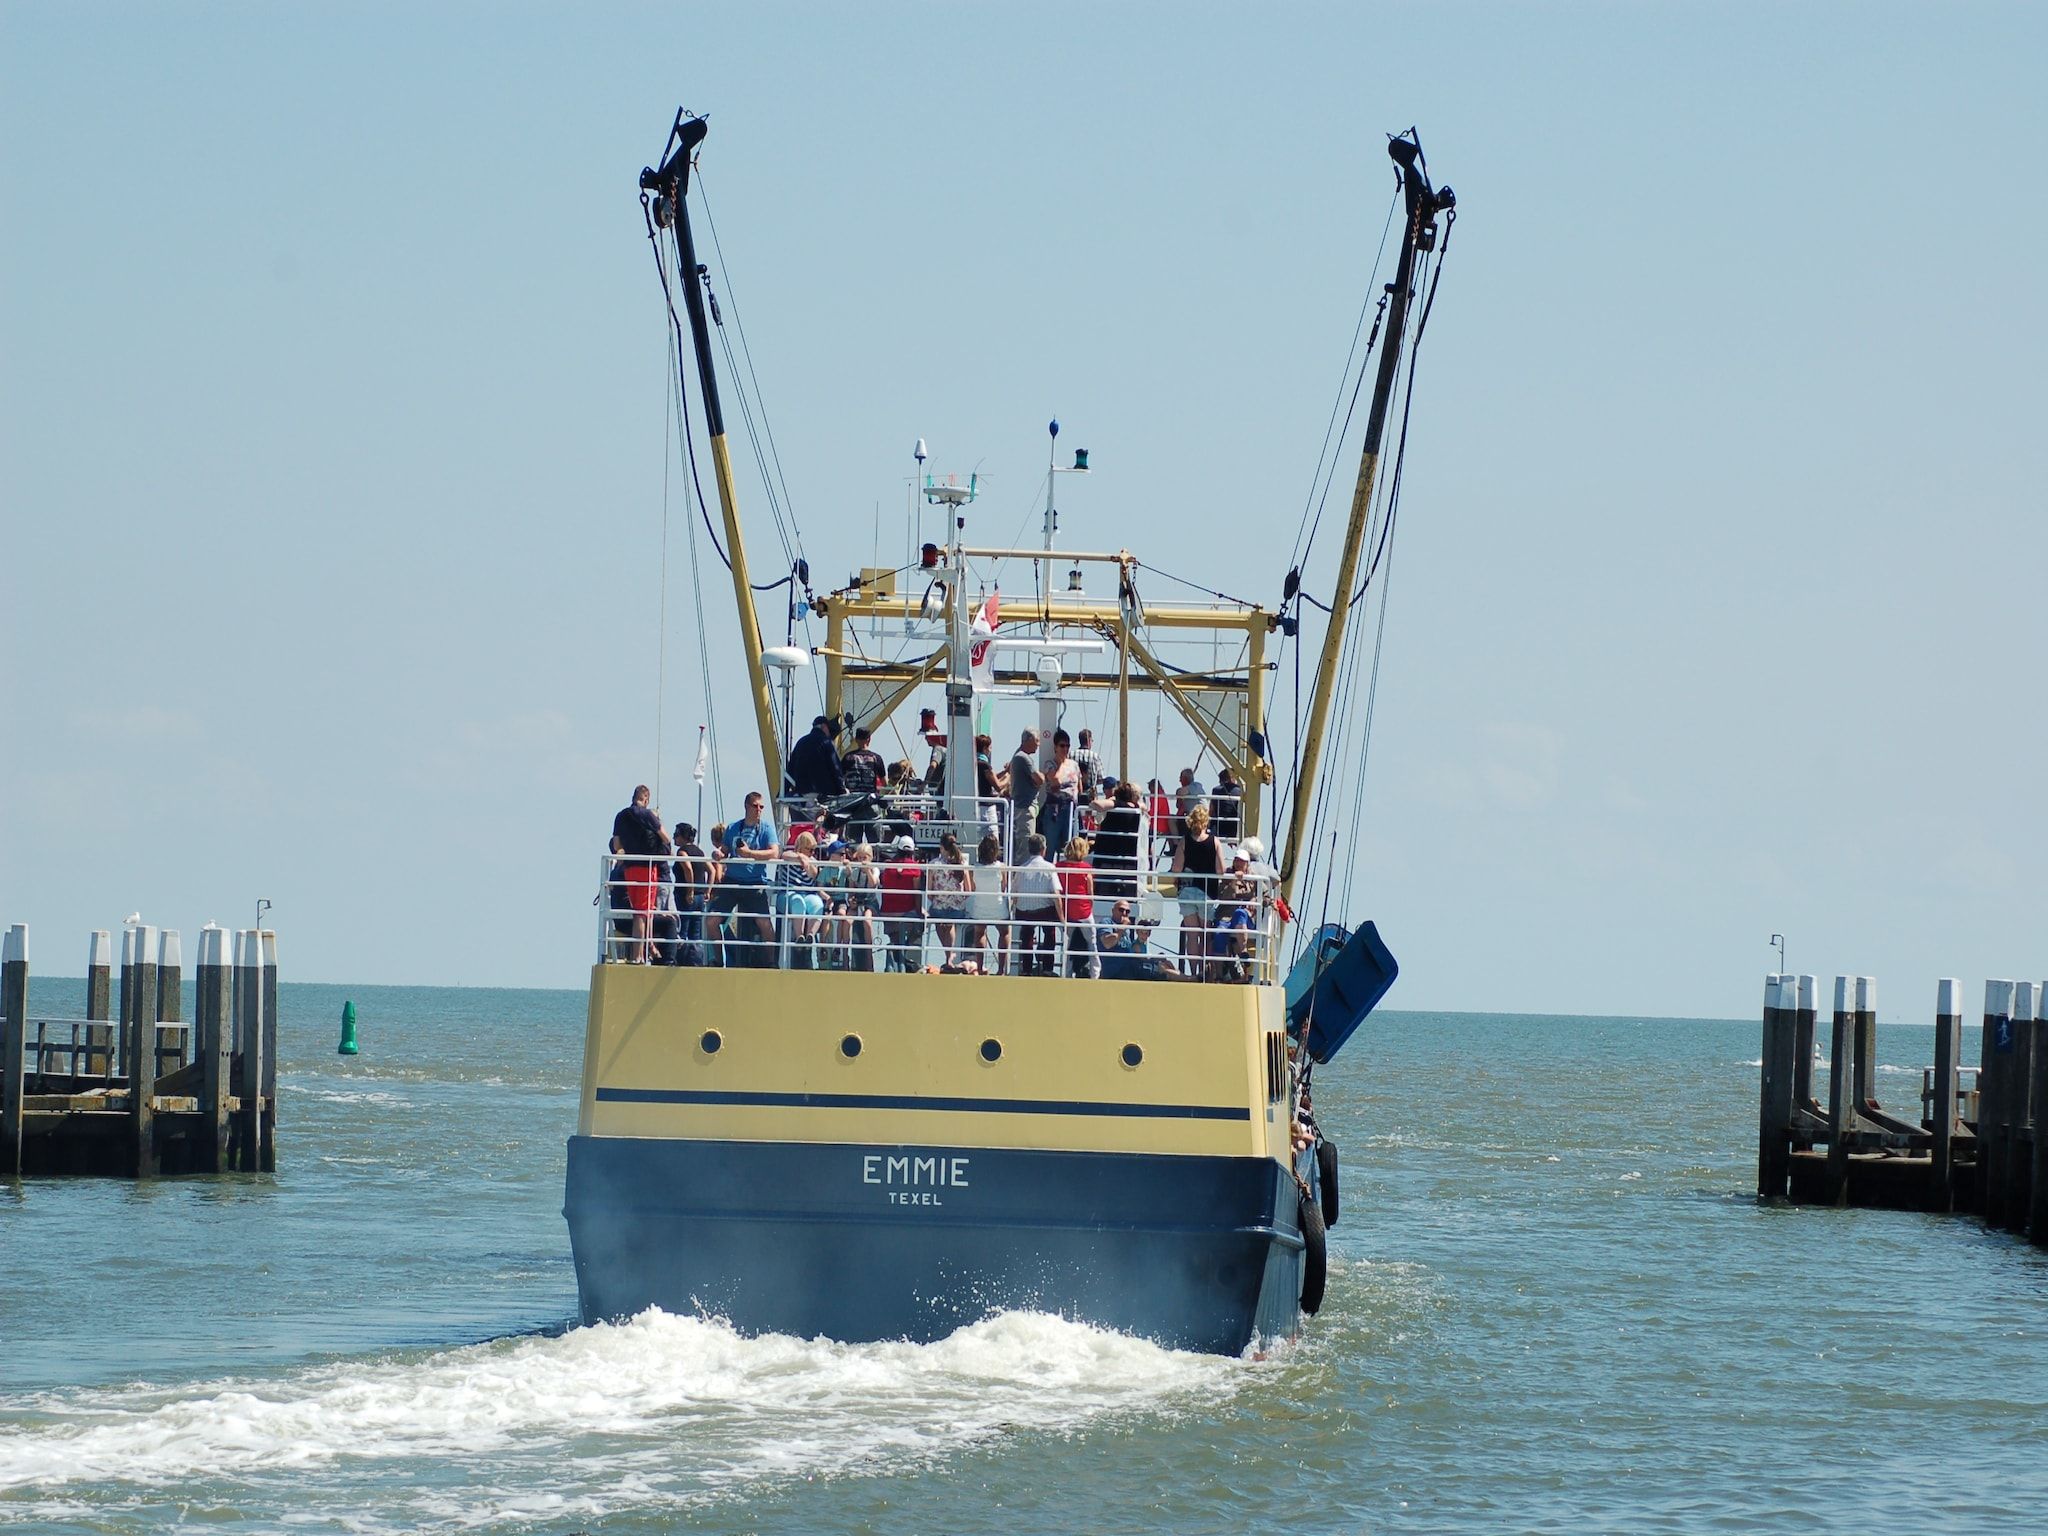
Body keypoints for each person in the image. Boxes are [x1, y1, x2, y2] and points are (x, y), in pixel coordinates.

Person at [722, 792, 780, 967]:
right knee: (711, 920)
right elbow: (724, 849)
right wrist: (718, 853)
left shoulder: (767, 829)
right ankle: (716, 961)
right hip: (732, 881)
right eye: (755, 806)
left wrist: (749, 854)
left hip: (755, 882)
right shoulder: (733, 828)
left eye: (761, 807)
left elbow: (774, 852)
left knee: (764, 924)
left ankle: (771, 962)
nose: (759, 810)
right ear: (746, 806)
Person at [610, 785, 666, 962]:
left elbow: (617, 845)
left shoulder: (621, 816)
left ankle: (639, 954)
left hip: (629, 868)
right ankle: (637, 956)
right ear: (646, 798)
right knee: (642, 913)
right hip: (646, 868)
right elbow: (666, 837)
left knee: (637, 912)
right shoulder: (647, 814)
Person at [1170, 802, 1223, 975]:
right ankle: (1205, 971)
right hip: (1207, 892)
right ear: (1206, 821)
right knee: (1205, 935)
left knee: (1192, 935)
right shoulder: (1214, 842)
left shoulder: (1185, 841)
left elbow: (1176, 868)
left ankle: (1193, 972)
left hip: (1186, 891)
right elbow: (1220, 871)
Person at [1008, 832, 1060, 976]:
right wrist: (1062, 918)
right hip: (1045, 911)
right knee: (1050, 932)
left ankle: (1026, 970)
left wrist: (1013, 910)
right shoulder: (1050, 868)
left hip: (1024, 912)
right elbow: (1056, 895)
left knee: (1027, 935)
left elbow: (1014, 893)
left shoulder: (1021, 868)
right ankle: (1048, 968)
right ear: (1043, 849)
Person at [878, 833, 926, 972]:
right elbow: (917, 895)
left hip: (887, 914)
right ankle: (903, 960)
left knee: (895, 938)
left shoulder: (888, 867)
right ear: (912, 851)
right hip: (905, 914)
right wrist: (920, 912)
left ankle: (895, 959)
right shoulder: (915, 868)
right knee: (920, 925)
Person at [1090, 780, 1144, 901]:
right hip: (1129, 860)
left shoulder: (1117, 805)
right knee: (1129, 899)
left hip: (1108, 858)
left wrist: (1112, 800)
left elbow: (1096, 804)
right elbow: (1143, 806)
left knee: (1104, 895)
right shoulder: (1137, 808)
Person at [778, 831, 826, 964]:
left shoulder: (813, 861)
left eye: (813, 850)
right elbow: (784, 855)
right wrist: (800, 857)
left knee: (817, 904)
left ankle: (810, 936)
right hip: (788, 894)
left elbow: (813, 874)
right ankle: (799, 937)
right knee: (797, 902)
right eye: (809, 849)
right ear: (801, 846)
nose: (812, 852)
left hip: (807, 894)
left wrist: (808, 864)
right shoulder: (789, 855)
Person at [1056, 835, 1100, 979]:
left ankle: (1066, 974)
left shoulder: (1059, 867)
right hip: (1084, 911)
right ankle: (1096, 974)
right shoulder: (1086, 868)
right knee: (1092, 943)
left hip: (1067, 910)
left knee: (1067, 946)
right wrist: (1090, 907)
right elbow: (1090, 892)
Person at [926, 831, 970, 965]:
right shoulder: (962, 863)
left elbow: (929, 891)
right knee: (949, 924)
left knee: (940, 922)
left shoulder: (933, 865)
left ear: (941, 847)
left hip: (938, 907)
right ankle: (949, 957)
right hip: (957, 908)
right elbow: (968, 890)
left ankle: (948, 956)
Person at [966, 830, 1006, 974]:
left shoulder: (974, 868)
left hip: (980, 906)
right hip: (998, 906)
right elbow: (1004, 886)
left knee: (979, 933)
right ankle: (1001, 969)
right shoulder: (1002, 867)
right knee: (1004, 932)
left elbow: (972, 887)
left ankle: (980, 966)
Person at [1038, 729, 1082, 858]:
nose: (1065, 749)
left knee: (1072, 847)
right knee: (1050, 847)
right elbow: (1055, 782)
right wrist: (1062, 764)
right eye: (1062, 745)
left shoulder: (1074, 765)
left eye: (1068, 746)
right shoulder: (1049, 764)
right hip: (1055, 809)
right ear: (1055, 747)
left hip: (1072, 809)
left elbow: (1079, 786)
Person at [1003, 729, 1043, 864]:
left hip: (1022, 807)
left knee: (1022, 845)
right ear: (1029, 740)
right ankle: (1021, 879)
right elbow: (1039, 779)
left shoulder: (1017, 756)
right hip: (1025, 808)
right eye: (1037, 741)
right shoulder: (1023, 758)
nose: (1038, 744)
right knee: (1026, 847)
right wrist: (1041, 777)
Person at [787, 716, 845, 801]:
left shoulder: (800, 742)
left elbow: (790, 769)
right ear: (824, 727)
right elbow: (835, 769)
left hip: (803, 794)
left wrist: (782, 791)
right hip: (824, 794)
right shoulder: (826, 742)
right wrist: (842, 790)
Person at [844, 842, 881, 971]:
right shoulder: (855, 872)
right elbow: (851, 891)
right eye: (860, 858)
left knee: (867, 921)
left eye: (864, 858)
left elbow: (873, 884)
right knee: (847, 922)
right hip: (858, 901)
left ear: (870, 857)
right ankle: (844, 957)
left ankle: (869, 955)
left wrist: (868, 872)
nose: (862, 861)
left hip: (869, 902)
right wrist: (851, 901)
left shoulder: (875, 870)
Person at [840, 726, 887, 796]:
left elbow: (840, 777)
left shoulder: (848, 757)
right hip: (869, 798)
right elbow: (884, 783)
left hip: (851, 799)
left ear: (856, 739)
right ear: (869, 739)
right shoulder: (876, 758)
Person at [1210, 764, 1243, 842]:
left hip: (1219, 828)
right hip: (1234, 829)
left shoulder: (1216, 790)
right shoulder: (1240, 791)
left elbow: (1211, 810)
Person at [1174, 767, 1208, 839]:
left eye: (1181, 778)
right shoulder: (1189, 790)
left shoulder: (1195, 786)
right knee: (1173, 820)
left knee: (1171, 820)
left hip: (1199, 818)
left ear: (1185, 778)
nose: (1179, 780)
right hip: (1192, 817)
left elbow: (1181, 792)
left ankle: (1177, 844)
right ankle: (1175, 844)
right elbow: (1178, 805)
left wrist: (1178, 791)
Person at [1073, 728, 1104, 803]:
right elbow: (1100, 778)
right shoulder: (1095, 756)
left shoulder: (1071, 755)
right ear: (1089, 740)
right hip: (1090, 795)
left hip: (1074, 794)